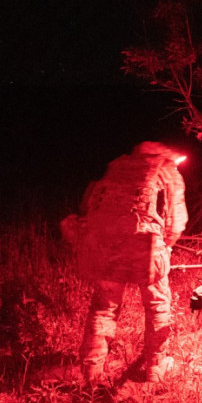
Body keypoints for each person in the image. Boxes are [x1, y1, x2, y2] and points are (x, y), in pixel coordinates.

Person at [60, 141, 188, 385]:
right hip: (144, 245)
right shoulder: (166, 169)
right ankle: (156, 368)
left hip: (106, 245)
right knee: (157, 305)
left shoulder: (117, 166)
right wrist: (167, 246)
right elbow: (176, 221)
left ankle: (91, 371)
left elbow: (89, 206)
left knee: (104, 307)